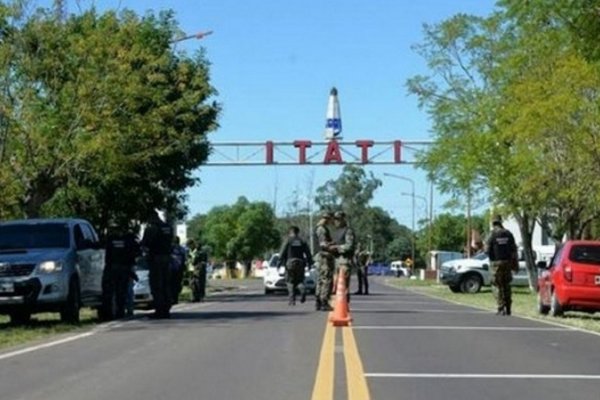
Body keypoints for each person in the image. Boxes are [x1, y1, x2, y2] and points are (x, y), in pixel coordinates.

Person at [141, 210, 175, 319]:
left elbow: (145, 243)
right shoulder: (168, 227)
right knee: (166, 284)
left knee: (157, 285)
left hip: (156, 259)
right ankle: (166, 309)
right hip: (167, 258)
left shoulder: (152, 228)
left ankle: (159, 310)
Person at [103, 225, 140, 320]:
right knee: (123, 291)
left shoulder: (111, 239)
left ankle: (116, 311)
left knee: (115, 291)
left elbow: (107, 255)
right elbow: (136, 252)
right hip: (125, 268)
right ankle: (121, 310)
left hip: (114, 268)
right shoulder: (129, 239)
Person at [486, 215, 518, 316]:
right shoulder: (508, 234)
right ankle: (508, 308)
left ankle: (500, 307)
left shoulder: (491, 235)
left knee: (497, 285)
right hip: (507, 262)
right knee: (506, 284)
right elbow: (514, 250)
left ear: (493, 223)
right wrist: (514, 263)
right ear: (501, 222)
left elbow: (486, 250)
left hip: (496, 263)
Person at [278, 226, 313, 306]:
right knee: (300, 280)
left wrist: (279, 263)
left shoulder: (288, 240)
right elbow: (308, 253)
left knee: (290, 281)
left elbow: (282, 252)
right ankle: (303, 291)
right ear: (298, 232)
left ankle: (292, 300)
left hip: (290, 263)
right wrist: (310, 263)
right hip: (300, 263)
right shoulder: (302, 241)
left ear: (290, 232)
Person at [330, 211, 356, 304]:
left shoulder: (348, 231)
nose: (336, 221)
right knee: (335, 285)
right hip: (335, 260)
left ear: (343, 219)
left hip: (344, 260)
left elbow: (349, 245)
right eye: (335, 219)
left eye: (338, 219)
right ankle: (338, 305)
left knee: (344, 284)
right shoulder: (336, 232)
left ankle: (345, 305)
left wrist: (337, 248)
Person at [314, 211, 335, 311]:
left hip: (322, 256)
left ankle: (319, 300)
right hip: (324, 257)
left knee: (321, 279)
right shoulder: (321, 229)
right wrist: (333, 246)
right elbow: (323, 244)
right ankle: (323, 301)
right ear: (328, 218)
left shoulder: (320, 228)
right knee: (326, 279)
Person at [170, 236, 187, 305]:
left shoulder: (172, 248)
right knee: (176, 284)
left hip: (174, 269)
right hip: (177, 269)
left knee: (174, 284)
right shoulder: (181, 249)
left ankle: (174, 298)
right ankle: (174, 298)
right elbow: (184, 259)